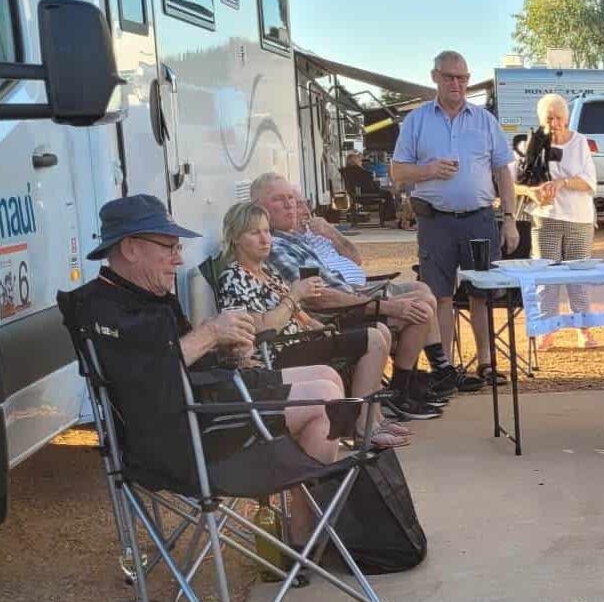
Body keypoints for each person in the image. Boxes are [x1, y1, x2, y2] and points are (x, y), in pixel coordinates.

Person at [65, 194, 343, 535]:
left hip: (203, 404)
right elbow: (144, 380)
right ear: (131, 248)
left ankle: (307, 526)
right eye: (169, 247)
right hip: (184, 438)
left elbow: (179, 358)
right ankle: (305, 541)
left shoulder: (147, 297)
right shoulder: (106, 310)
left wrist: (227, 352)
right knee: (324, 403)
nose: (178, 259)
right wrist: (211, 332)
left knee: (327, 378)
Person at [250, 173, 449, 419]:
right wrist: (383, 306)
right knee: (420, 309)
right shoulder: (276, 247)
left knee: (420, 297)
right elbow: (318, 299)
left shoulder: (294, 239)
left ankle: (410, 385)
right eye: (279, 199)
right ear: (258, 209)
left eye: (292, 198)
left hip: (349, 296)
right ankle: (403, 390)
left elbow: (349, 262)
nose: (291, 204)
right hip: (332, 314)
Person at [214, 203, 410, 446]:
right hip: (274, 353)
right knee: (372, 339)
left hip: (299, 341)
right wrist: (295, 295)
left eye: (266, 231)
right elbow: (263, 328)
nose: (266, 239)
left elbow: (300, 317)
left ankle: (374, 418)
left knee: (377, 331)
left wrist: (322, 327)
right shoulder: (234, 278)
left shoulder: (268, 273)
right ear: (235, 238)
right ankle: (362, 428)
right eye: (255, 233)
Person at [390, 49, 520, 389]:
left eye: (462, 78)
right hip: (436, 223)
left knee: (482, 294)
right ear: (434, 77)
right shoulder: (416, 121)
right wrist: (428, 170)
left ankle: (487, 363)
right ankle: (444, 369)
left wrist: (509, 219)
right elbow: (397, 172)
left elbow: (503, 173)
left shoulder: (484, 120)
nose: (456, 84)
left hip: (479, 219)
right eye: (449, 77)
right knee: (439, 296)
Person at [515, 92, 599, 349]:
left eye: (559, 117)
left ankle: (583, 329)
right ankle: (546, 329)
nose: (555, 123)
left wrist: (561, 182)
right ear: (541, 119)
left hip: (578, 219)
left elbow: (588, 182)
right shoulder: (531, 144)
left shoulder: (580, 142)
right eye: (549, 118)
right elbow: (512, 182)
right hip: (545, 218)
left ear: (567, 117)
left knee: (578, 276)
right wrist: (533, 192)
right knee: (545, 277)